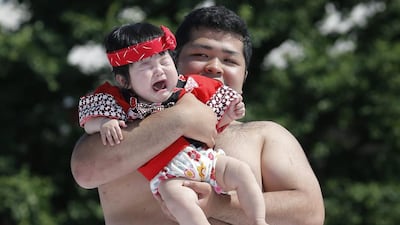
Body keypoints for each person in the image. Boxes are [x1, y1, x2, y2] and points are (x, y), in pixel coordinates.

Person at [71, 5, 325, 225]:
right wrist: (182, 116)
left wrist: (218, 205)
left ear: (245, 75)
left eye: (230, 60)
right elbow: (84, 171)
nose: (214, 66)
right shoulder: (120, 123)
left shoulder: (264, 136)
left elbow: (310, 213)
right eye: (200, 55)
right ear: (173, 61)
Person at [78, 22, 268, 225]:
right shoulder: (120, 102)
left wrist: (230, 114)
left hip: (205, 158)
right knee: (180, 201)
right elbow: (88, 121)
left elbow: (211, 125)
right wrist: (104, 123)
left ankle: (258, 221)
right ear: (124, 81)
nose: (159, 71)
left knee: (242, 172)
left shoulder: (189, 87)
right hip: (170, 175)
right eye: (146, 66)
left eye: (164, 62)